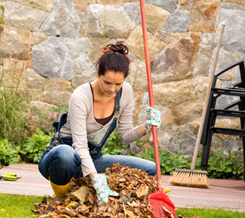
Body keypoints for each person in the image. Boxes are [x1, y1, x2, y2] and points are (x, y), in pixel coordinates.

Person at [38, 41, 161, 205]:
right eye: (107, 82)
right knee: (64, 155)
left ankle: (97, 195)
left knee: (151, 169)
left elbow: (125, 136)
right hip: (62, 160)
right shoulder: (81, 96)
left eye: (118, 84)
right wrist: (96, 178)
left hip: (92, 159)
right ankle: (64, 199)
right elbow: (79, 145)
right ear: (98, 73)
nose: (112, 89)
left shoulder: (126, 93)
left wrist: (146, 127)